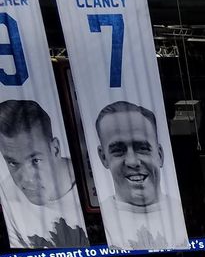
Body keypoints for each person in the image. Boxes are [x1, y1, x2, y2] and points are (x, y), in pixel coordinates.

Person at [94, 101, 187, 249]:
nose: (132, 162)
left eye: (142, 148)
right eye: (118, 150)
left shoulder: (182, 211)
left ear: (160, 155)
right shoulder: (99, 219)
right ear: (103, 157)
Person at [0, 100, 87, 248]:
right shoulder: (7, 194)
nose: (26, 179)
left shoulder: (95, 186)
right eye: (13, 163)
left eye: (35, 161)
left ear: (55, 150)